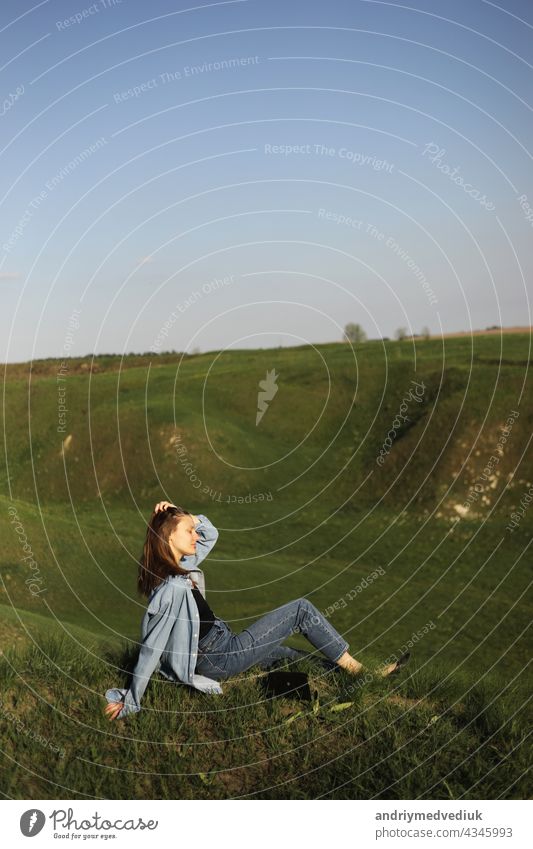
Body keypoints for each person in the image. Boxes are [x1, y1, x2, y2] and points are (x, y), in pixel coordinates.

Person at [104, 502, 409, 721]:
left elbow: (211, 534)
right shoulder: (171, 589)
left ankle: (348, 677)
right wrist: (131, 701)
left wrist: (185, 515)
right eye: (188, 532)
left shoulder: (179, 567)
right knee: (300, 610)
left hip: (222, 646)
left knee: (284, 654)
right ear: (171, 538)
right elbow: (151, 649)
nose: (196, 536)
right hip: (220, 657)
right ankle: (361, 672)